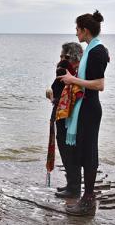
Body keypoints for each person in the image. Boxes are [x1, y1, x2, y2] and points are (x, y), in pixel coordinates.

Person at [57, 10, 110, 216]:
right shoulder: (90, 50)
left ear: (85, 30)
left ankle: (88, 201)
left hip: (90, 109)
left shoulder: (97, 52)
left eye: (77, 29)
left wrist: (73, 80)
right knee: (82, 152)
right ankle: (84, 197)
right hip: (84, 108)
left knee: (89, 154)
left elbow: (99, 84)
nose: (76, 32)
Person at [46, 43, 83, 198]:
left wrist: (51, 94)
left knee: (68, 150)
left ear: (71, 57)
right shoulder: (76, 72)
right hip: (67, 115)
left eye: (64, 56)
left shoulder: (67, 70)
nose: (61, 59)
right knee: (68, 150)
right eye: (61, 56)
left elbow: (56, 90)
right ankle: (72, 185)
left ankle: (73, 187)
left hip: (66, 117)